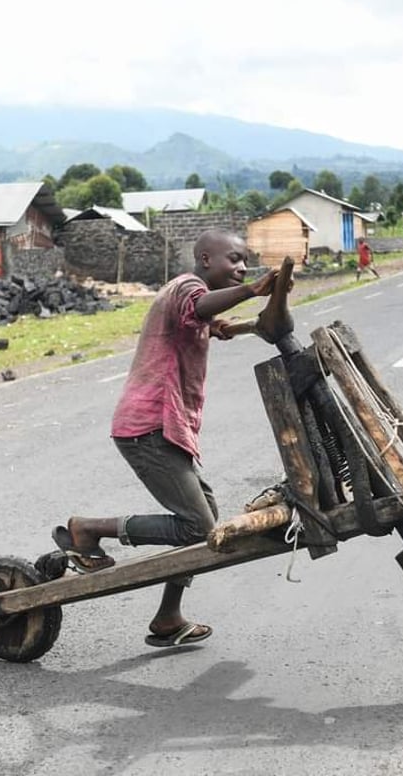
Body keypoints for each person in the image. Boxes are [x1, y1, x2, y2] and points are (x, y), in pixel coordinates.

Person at [52, 230, 279, 648]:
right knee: (199, 527)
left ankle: (168, 618)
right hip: (148, 427)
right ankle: (88, 530)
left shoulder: (194, 301)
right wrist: (251, 290)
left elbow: (198, 318)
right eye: (234, 259)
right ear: (206, 259)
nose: (242, 267)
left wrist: (219, 326)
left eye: (246, 262)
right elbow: (196, 305)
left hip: (167, 428)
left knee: (205, 521)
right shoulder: (187, 288)